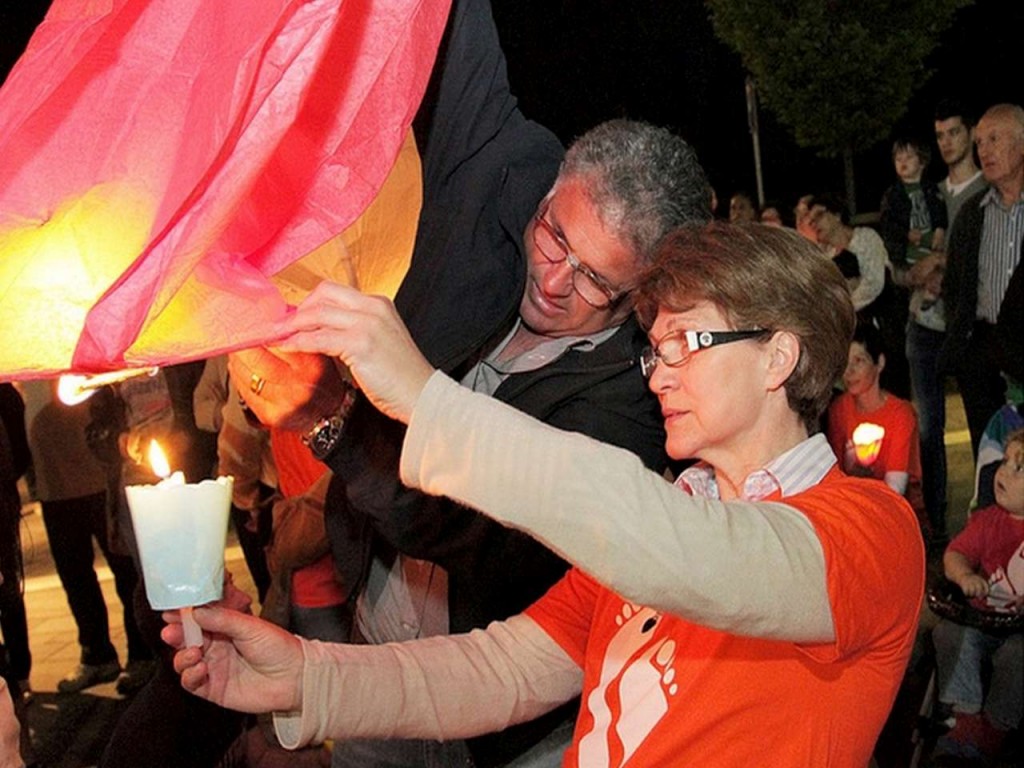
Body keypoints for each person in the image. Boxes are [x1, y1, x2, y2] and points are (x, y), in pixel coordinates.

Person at [166, 223, 925, 767]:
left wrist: (430, 404)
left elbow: (679, 548)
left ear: (778, 357)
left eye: (684, 345)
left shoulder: (868, 531)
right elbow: (500, 672)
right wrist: (304, 676)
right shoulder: (669, 520)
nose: (658, 375)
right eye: (652, 352)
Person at [229, 0, 709, 763]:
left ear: (643, 294)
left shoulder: (632, 408)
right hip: (375, 661)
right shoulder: (505, 172)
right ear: (552, 187)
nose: (554, 281)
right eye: (555, 234)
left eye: (596, 284)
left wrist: (337, 420)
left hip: (502, 723)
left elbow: (486, 542)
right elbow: (450, 30)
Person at [23, 379, 154, 695]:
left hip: (97, 479)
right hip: (53, 485)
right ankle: (96, 653)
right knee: (75, 576)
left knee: (125, 571)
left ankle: (141, 652)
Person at [930, 428, 1024, 766]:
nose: (1003, 472)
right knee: (949, 632)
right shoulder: (988, 521)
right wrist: (965, 575)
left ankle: (995, 726)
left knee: (1018, 655)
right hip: (983, 620)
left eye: (1019, 467)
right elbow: (956, 553)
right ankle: (964, 713)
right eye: (1005, 462)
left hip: (1019, 632)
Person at [941, 103, 1024, 457]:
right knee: (989, 454)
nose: (983, 151)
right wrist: (962, 347)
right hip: (982, 349)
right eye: (979, 143)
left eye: (994, 139)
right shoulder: (971, 214)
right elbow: (954, 287)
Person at [827, 321, 926, 531]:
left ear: (879, 363)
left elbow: (896, 487)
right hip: (853, 512)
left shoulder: (900, 414)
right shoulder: (839, 409)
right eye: (845, 363)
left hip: (897, 515)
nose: (849, 371)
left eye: (859, 361)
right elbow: (835, 474)